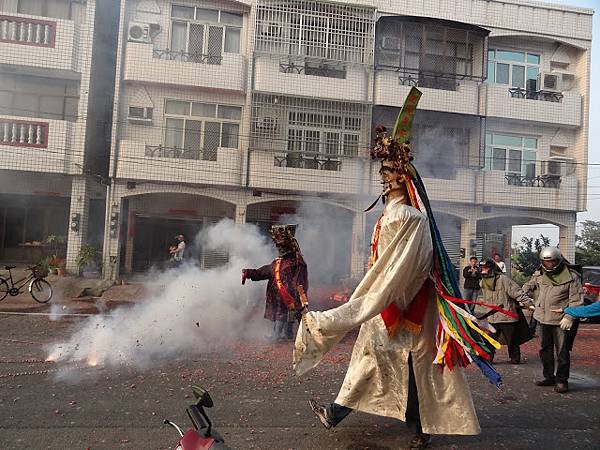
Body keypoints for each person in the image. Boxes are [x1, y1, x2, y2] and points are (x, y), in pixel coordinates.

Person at [295, 90, 493, 450]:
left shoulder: (409, 218)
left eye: (388, 171)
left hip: (408, 303)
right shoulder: (390, 214)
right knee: (369, 358)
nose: (383, 177)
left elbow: (408, 267)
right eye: (382, 171)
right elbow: (383, 264)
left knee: (418, 367)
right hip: (386, 299)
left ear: (403, 177)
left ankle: (423, 428)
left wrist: (376, 300)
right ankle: (336, 411)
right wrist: (373, 295)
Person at [522, 247, 584, 393]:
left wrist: (570, 316)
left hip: (560, 320)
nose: (549, 264)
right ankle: (549, 376)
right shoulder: (539, 273)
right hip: (542, 318)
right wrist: (523, 297)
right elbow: (528, 285)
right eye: (546, 261)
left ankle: (562, 380)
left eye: (552, 261)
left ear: (558, 260)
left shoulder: (571, 276)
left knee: (562, 351)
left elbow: (577, 300)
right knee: (544, 350)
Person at [242, 224, 308, 341]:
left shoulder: (298, 262)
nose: (279, 250)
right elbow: (265, 271)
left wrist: (300, 295)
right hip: (278, 296)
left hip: (289, 295)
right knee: (281, 313)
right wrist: (249, 273)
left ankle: (278, 336)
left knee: (285, 314)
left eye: (282, 247)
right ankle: (284, 334)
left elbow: (301, 280)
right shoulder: (278, 262)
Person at [479, 259, 533, 364]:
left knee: (511, 339)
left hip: (506, 316)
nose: (483, 270)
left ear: (491, 268)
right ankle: (488, 358)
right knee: (490, 340)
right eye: (482, 268)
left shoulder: (503, 279)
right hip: (492, 317)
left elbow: (517, 292)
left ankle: (515, 358)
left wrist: (529, 304)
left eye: (485, 268)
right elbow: (487, 297)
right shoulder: (483, 282)